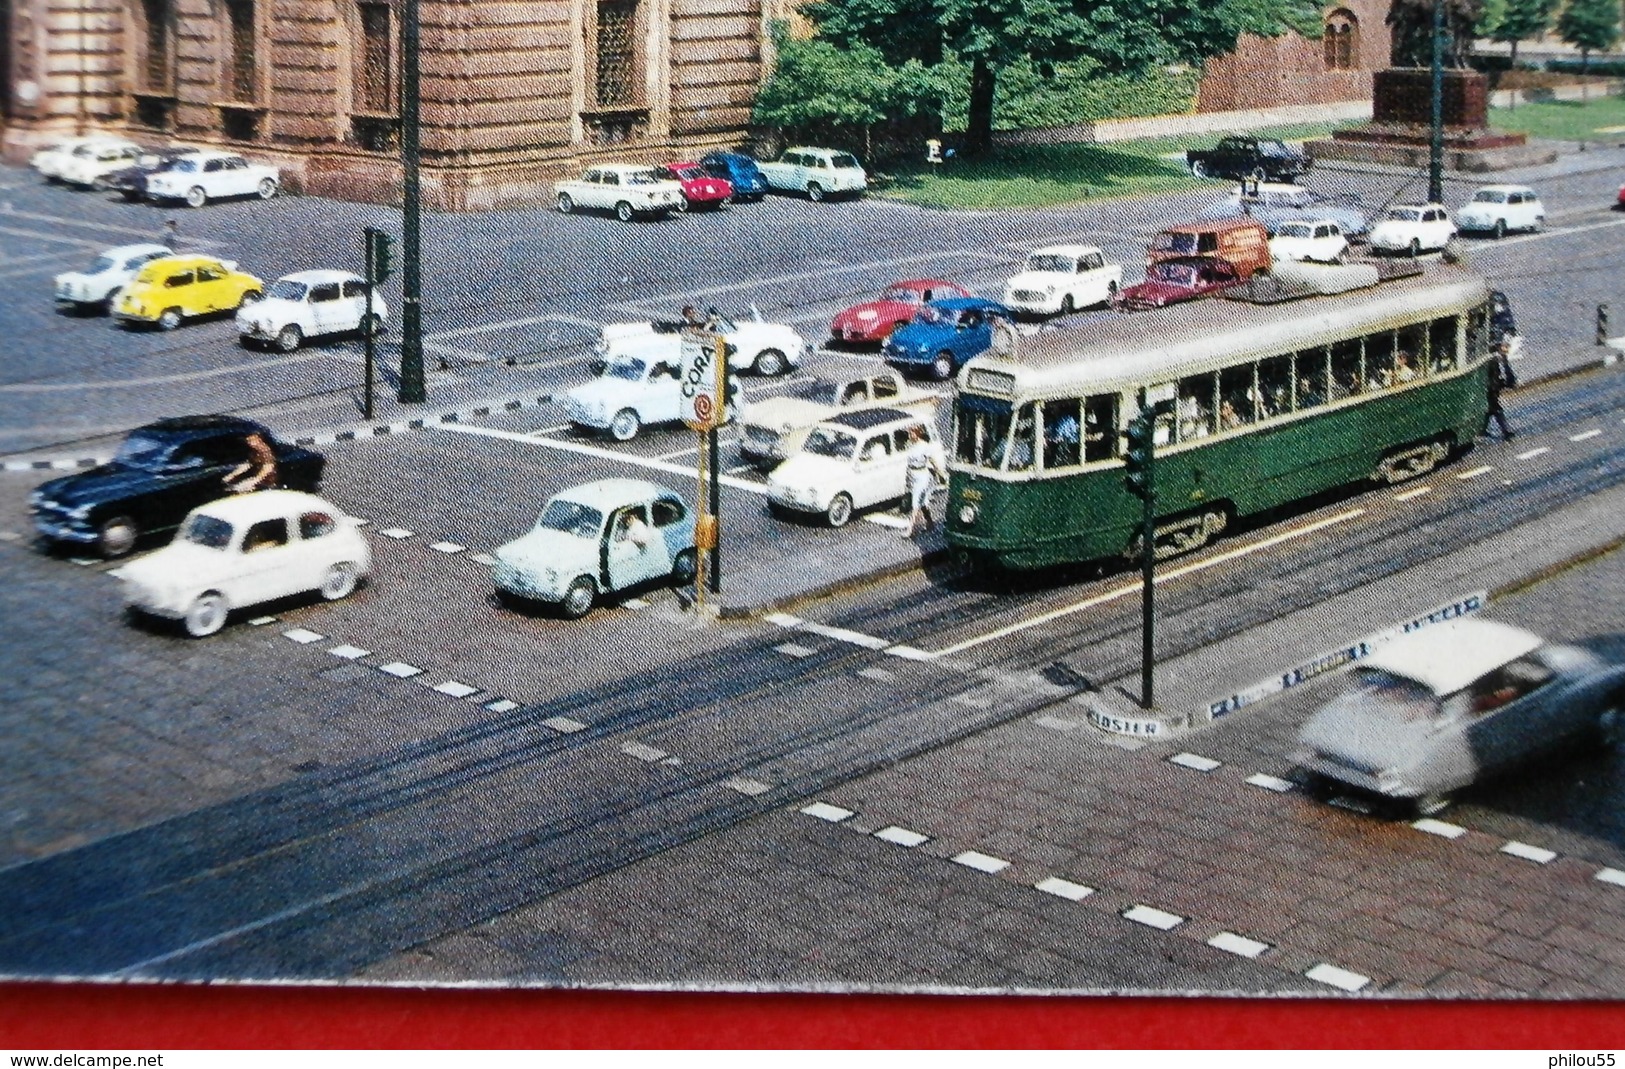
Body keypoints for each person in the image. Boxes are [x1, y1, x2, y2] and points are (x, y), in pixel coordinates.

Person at [903, 425, 947, 539]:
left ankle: (910, 530)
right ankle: (930, 523)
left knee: (915, 504)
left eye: (911, 433)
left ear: (917, 434)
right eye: (909, 433)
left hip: (922, 477)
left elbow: (933, 460)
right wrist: (907, 480)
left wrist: (941, 474)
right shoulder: (910, 445)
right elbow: (909, 464)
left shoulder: (924, 446)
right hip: (913, 476)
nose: (909, 435)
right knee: (923, 504)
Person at [1484, 340, 1517, 440]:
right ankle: (1506, 432)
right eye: (1506, 347)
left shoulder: (1498, 357)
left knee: (1489, 410)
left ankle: (1482, 430)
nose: (1507, 350)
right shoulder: (1494, 359)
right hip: (1490, 390)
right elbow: (1495, 375)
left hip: (1492, 389)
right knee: (1496, 410)